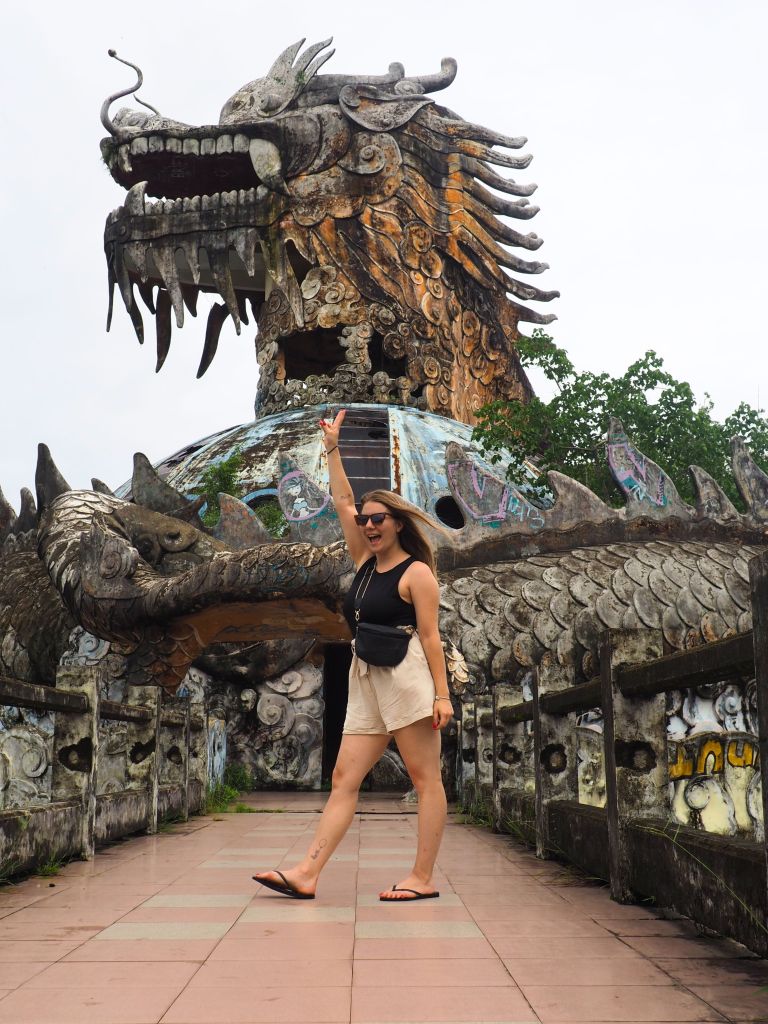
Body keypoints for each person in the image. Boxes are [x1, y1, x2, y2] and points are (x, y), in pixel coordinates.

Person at [253, 409, 454, 902]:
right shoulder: (363, 562)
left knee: (425, 779)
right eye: (365, 521)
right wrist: (332, 448)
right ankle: (307, 873)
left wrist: (442, 696)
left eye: (378, 519)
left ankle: (422, 878)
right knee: (344, 777)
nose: (368, 525)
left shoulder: (416, 574)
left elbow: (431, 638)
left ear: (398, 523)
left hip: (406, 676)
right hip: (365, 677)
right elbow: (343, 501)